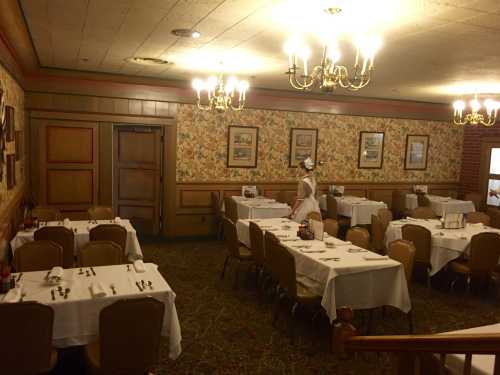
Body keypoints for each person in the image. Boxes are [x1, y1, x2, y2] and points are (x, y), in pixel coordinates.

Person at [289, 157, 321, 223]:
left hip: (305, 206)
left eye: (299, 168)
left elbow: (300, 199)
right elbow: (316, 195)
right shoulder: (313, 179)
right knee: (313, 227)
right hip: (314, 206)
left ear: (303, 169)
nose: (298, 170)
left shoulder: (303, 181)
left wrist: (292, 211)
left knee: (300, 225)